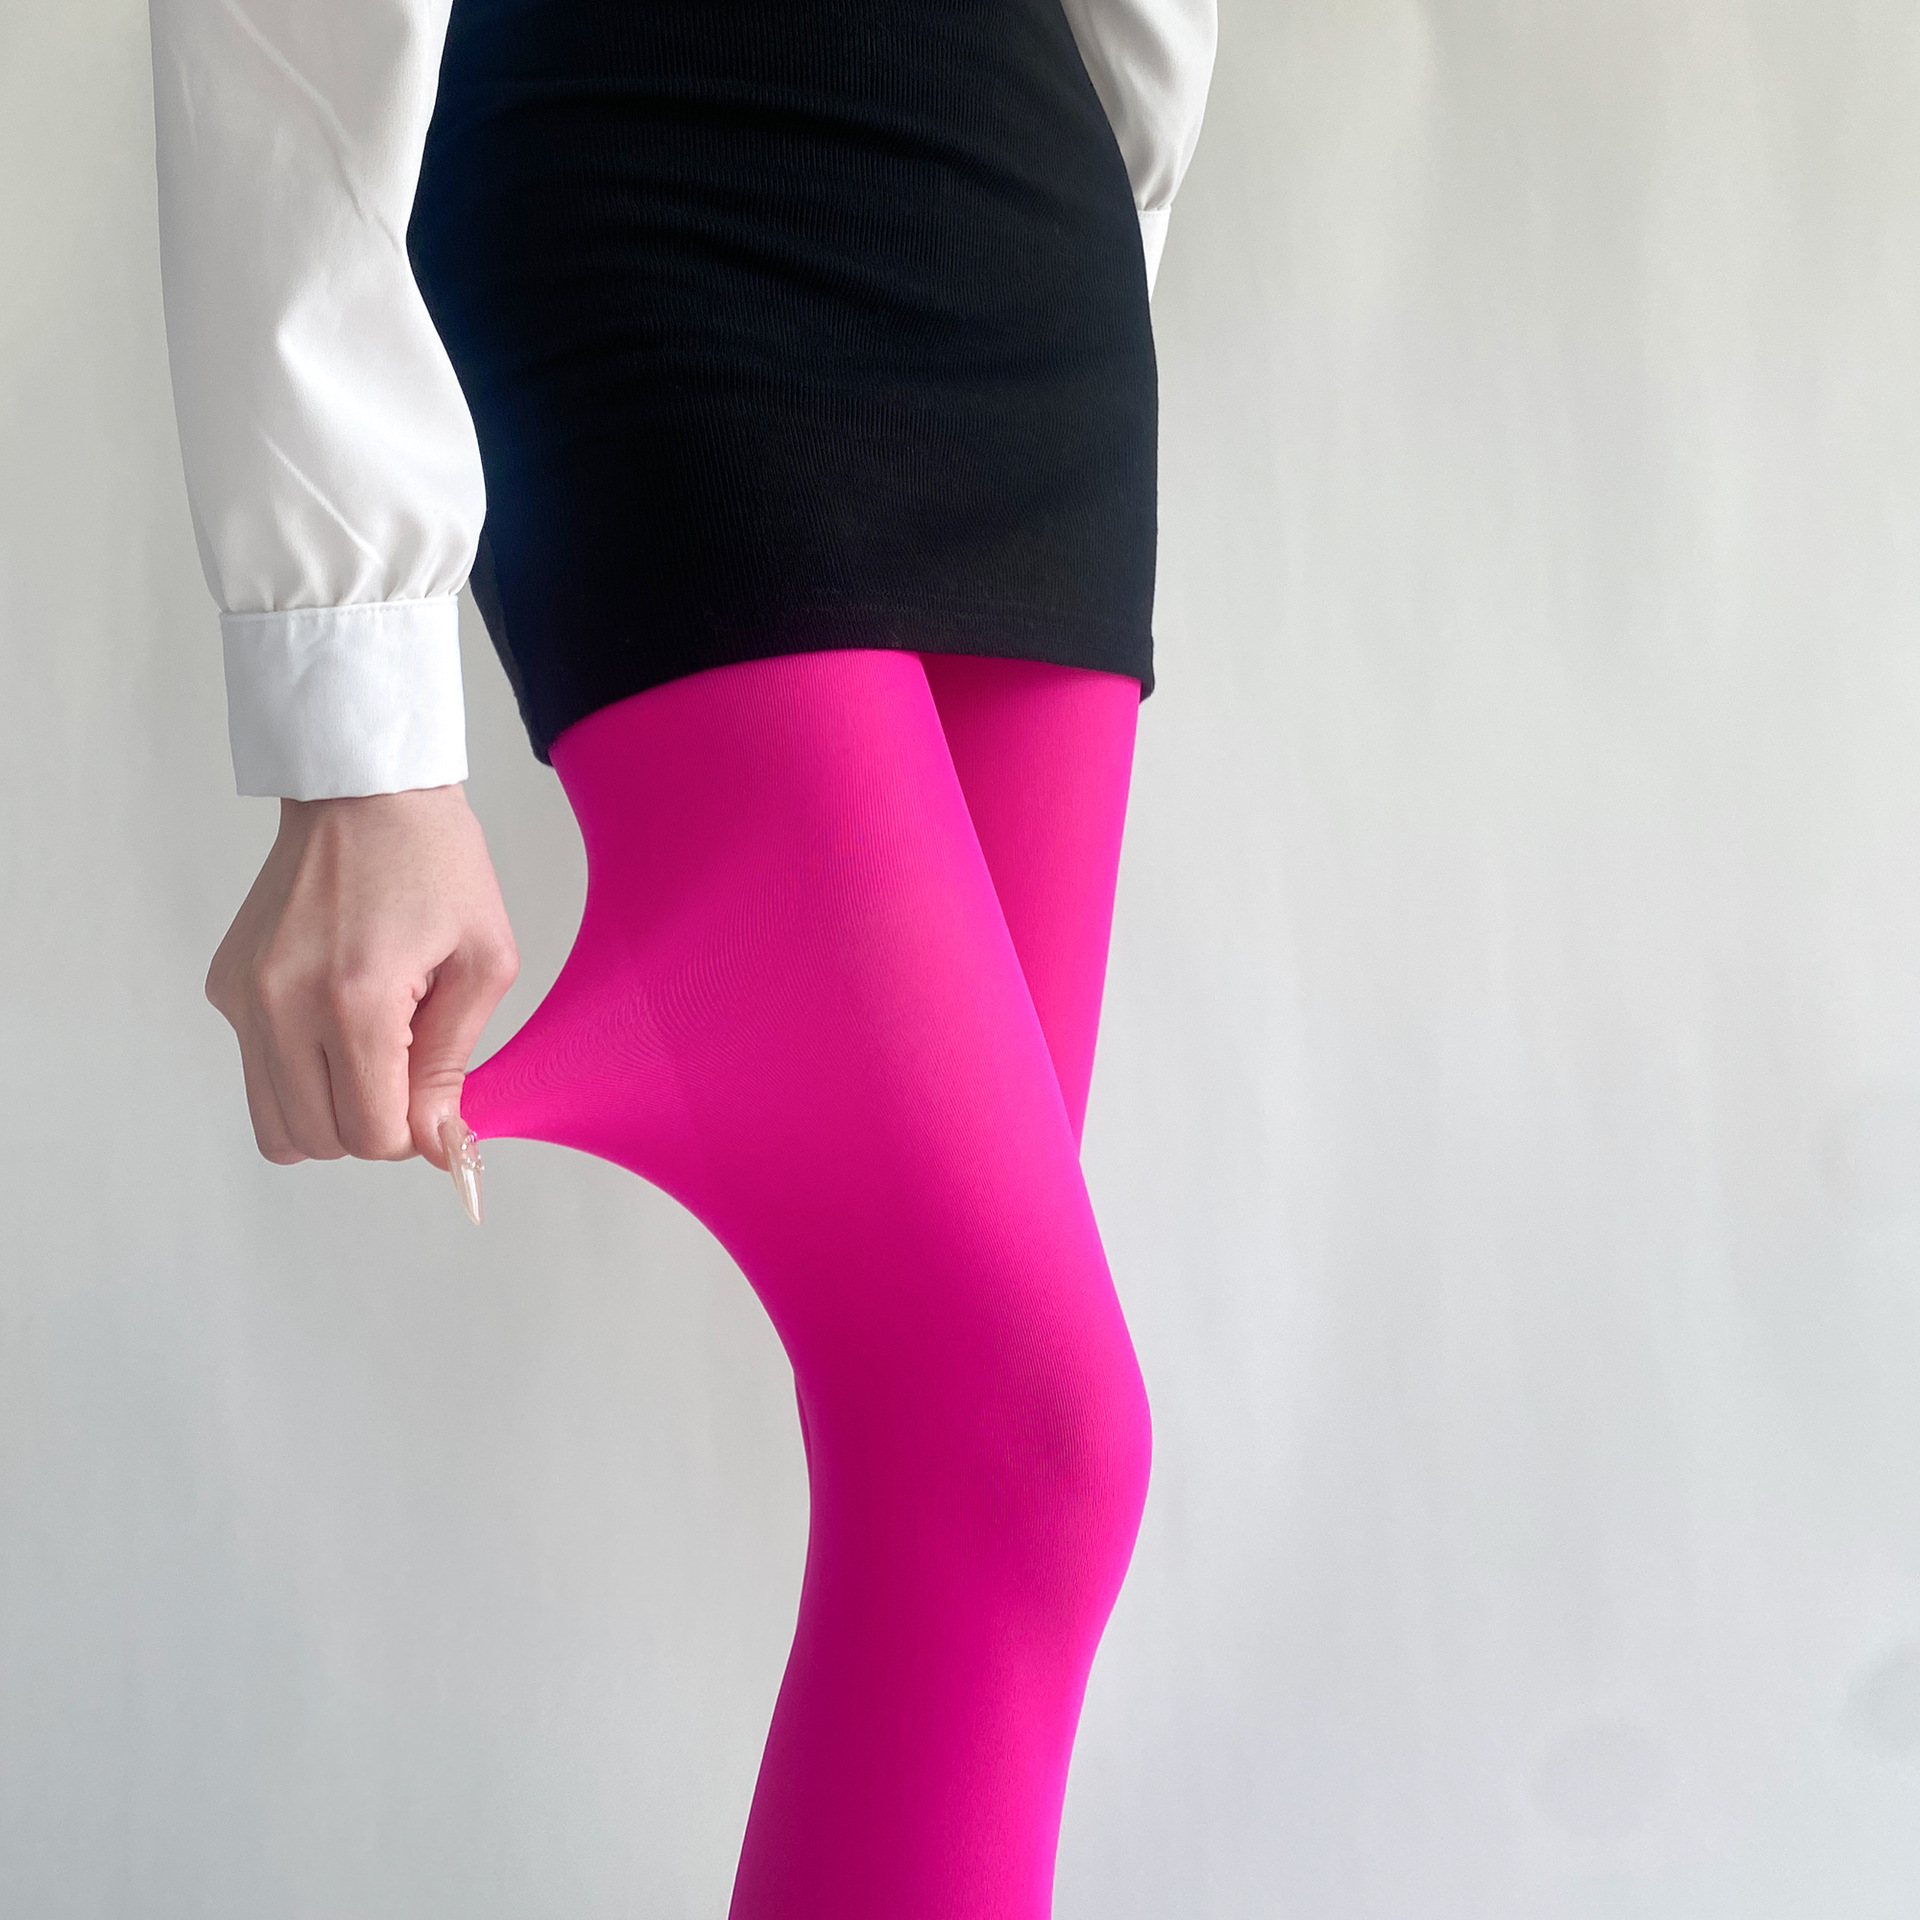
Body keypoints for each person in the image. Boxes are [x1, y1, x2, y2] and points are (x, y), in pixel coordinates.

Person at [148, 0, 1216, 1912]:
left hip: (1030, 214)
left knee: (948, 1467)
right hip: (631, 156)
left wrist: (1111, 208)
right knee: (1022, 1443)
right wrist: (351, 729)